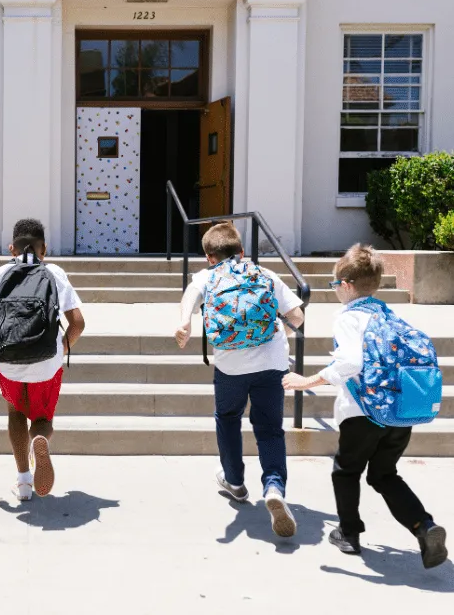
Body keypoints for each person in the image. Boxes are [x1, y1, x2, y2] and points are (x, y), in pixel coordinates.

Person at [283, 244, 448, 568]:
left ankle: (348, 533)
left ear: (346, 285)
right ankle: (424, 526)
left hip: (362, 414)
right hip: (399, 413)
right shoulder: (388, 315)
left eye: (335, 286)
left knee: (346, 472)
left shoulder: (348, 317)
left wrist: (308, 381)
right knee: (384, 474)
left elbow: (350, 362)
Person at [175, 222, 304, 538]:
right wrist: (278, 334)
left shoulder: (207, 277)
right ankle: (273, 488)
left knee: (228, 418)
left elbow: (188, 303)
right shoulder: (265, 275)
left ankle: (234, 481)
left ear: (209, 257)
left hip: (230, 366)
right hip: (272, 364)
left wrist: (183, 326)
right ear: (242, 252)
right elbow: (298, 316)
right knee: (270, 428)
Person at [0, 218, 85, 501]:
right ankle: (39, 439)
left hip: (8, 361)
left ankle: (23, 482)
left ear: (12, 248)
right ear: (44, 248)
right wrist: (62, 348)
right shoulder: (54, 272)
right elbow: (78, 323)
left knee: (15, 413)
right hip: (47, 362)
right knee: (43, 418)